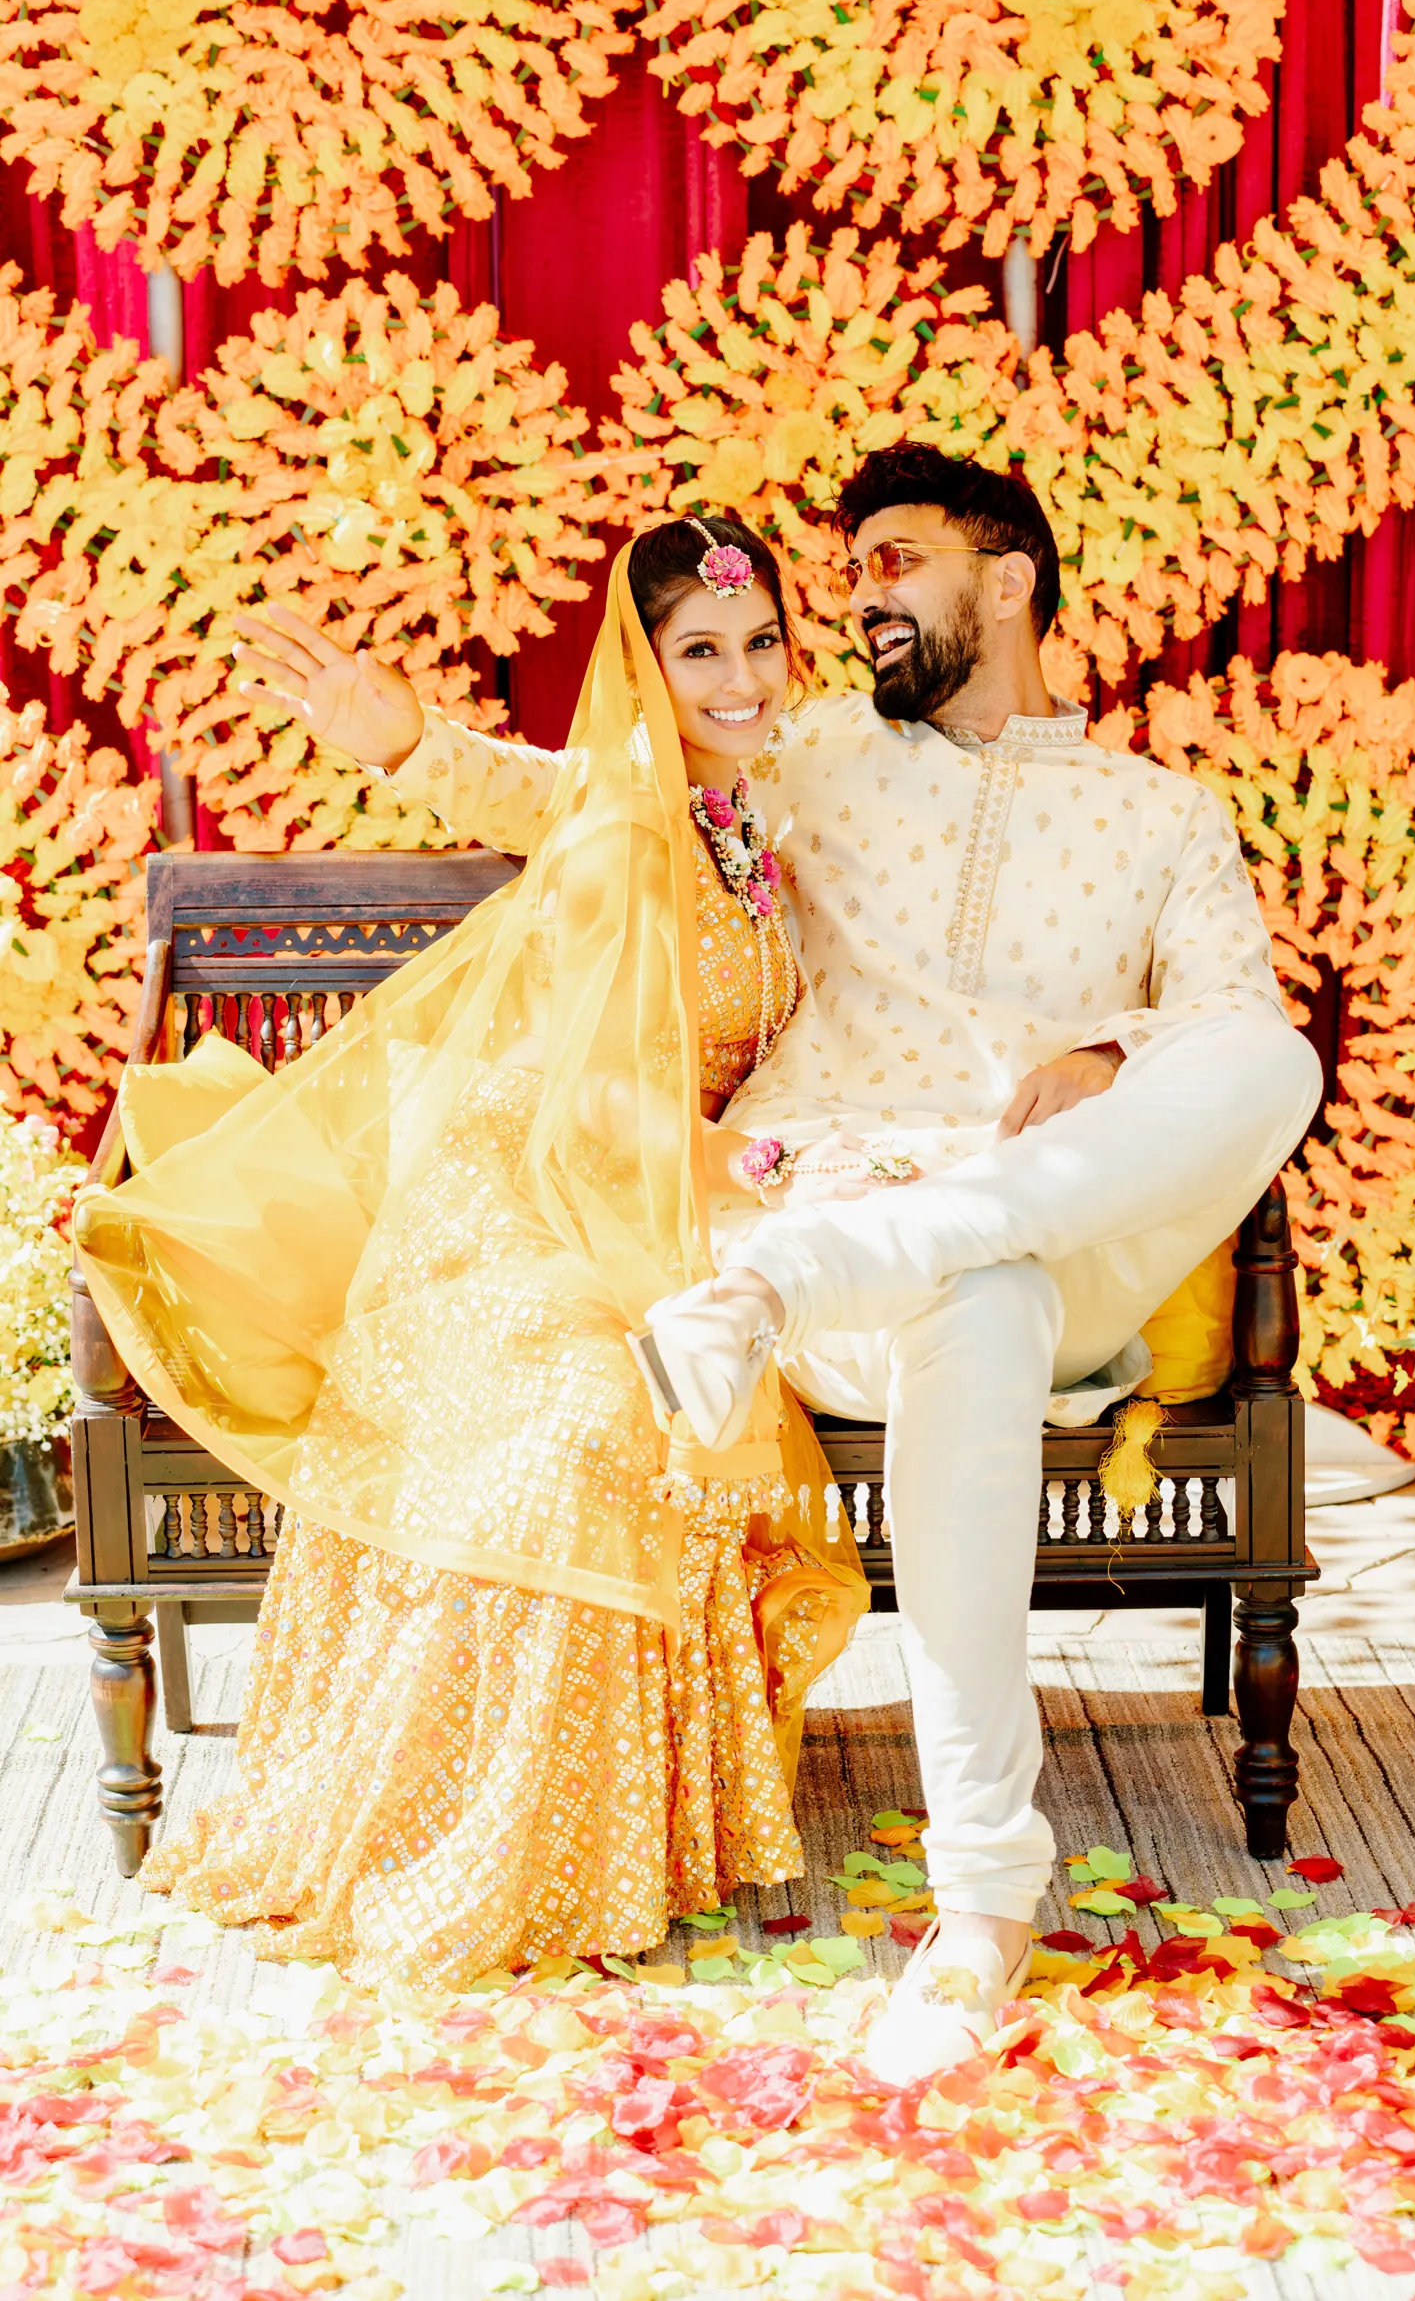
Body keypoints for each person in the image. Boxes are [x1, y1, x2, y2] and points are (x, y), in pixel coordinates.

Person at [385, 443, 1323, 2080]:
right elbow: (595, 797)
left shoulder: (1163, 816)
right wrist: (407, 743)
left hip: (1045, 1208)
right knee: (984, 1301)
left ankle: (829, 1268)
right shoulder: (809, 754)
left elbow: (1231, 1018)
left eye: (895, 559)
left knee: (1275, 1063)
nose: (861, 597)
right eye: (855, 570)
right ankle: (982, 1905)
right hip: (851, 1231)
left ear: (1009, 573)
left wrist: (1115, 1042)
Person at [74, 519, 868, 1987]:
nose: (742, 676)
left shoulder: (761, 809)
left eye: (761, 643)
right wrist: (404, 742)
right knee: (591, 1423)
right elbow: (598, 1073)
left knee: (663, 1397)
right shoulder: (622, 826)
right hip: (518, 1198)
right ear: (647, 664)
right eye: (701, 650)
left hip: (652, 1199)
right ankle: (482, 1831)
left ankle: (625, 1830)